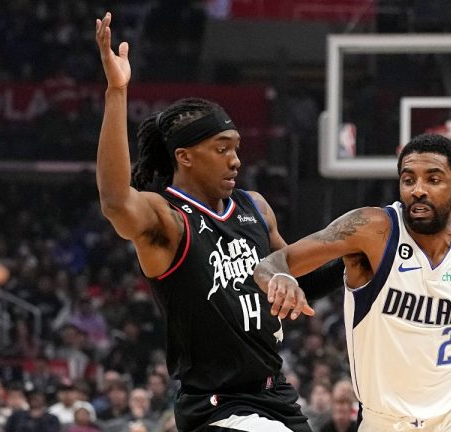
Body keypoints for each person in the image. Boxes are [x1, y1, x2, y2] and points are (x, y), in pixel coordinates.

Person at [94, 12, 341, 432]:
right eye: (222, 148)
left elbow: (300, 277)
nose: (236, 160)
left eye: (237, 148)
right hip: (216, 405)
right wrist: (118, 92)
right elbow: (117, 201)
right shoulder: (167, 219)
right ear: (185, 157)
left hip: (275, 395)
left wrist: (356, 258)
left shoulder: (255, 206)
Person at [253, 133, 451, 431]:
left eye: (433, 179)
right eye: (408, 179)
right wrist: (281, 279)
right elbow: (273, 263)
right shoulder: (371, 230)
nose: (418, 189)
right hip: (385, 420)